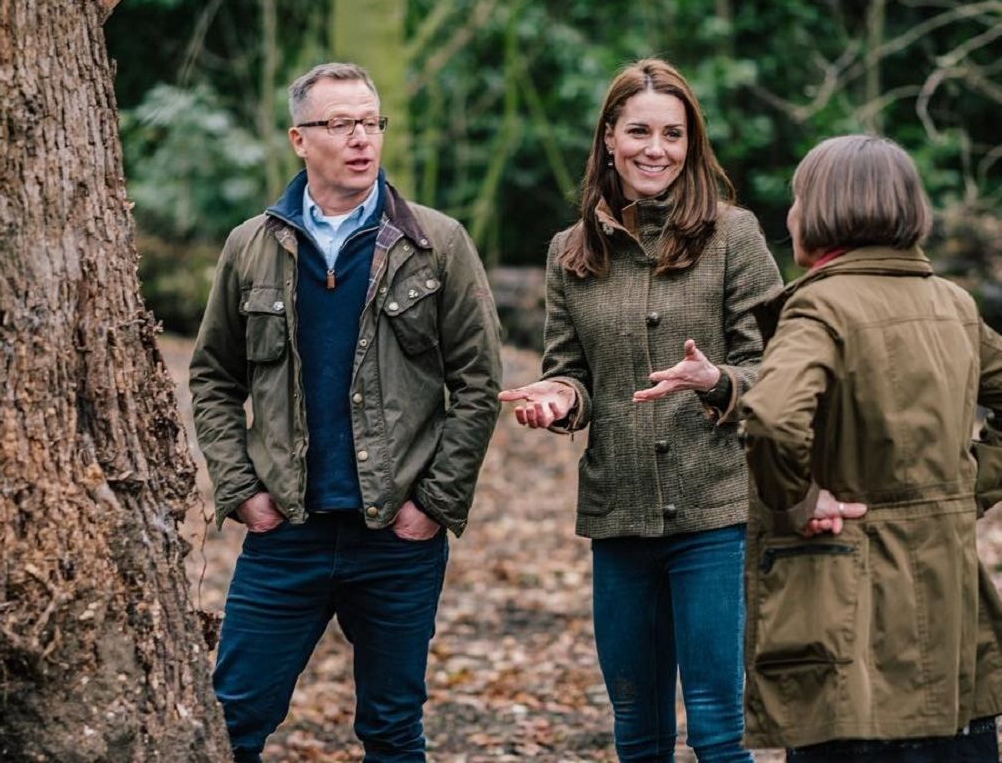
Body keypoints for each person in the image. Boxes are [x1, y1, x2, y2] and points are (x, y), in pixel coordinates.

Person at [189, 62, 502, 763]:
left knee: (392, 729)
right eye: (340, 123)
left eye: (371, 121)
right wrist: (241, 490)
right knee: (231, 720)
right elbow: (213, 377)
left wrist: (435, 501)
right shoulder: (250, 245)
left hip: (397, 535)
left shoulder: (437, 243)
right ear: (300, 140)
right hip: (286, 533)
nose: (361, 138)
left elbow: (478, 385)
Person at [738, 134, 1002, 762]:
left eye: (797, 198)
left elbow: (774, 417)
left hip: (844, 606)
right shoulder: (952, 304)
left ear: (824, 210)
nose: (790, 214)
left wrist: (799, 501)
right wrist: (958, 493)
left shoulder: (820, 307)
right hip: (950, 616)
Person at [499, 58, 781, 763]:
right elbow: (569, 371)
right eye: (640, 131)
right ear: (608, 138)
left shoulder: (734, 236)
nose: (657, 149)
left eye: (674, 134)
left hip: (715, 511)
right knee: (637, 727)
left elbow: (782, 368)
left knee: (718, 726)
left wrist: (717, 380)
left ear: (692, 143)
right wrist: (560, 399)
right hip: (617, 514)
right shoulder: (570, 253)